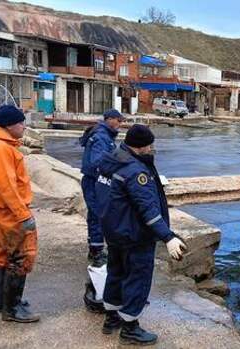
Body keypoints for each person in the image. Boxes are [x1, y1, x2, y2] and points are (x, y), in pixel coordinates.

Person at [98, 124, 187, 345]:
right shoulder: (137, 172)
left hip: (114, 230)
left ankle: (111, 318)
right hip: (134, 235)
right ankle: (130, 327)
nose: (152, 149)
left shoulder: (112, 160)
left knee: (115, 273)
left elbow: (97, 195)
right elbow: (148, 210)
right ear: (141, 147)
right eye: (150, 145)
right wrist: (168, 237)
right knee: (137, 279)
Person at [0, 105, 39, 323]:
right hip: (9, 213)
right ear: (9, 125)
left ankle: (1, 303)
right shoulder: (0, 149)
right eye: (21, 123)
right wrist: (24, 216)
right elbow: (7, 187)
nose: (24, 126)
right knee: (20, 257)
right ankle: (12, 308)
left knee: (1, 256)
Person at [79, 109, 125, 266]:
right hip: (95, 182)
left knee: (95, 215)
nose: (120, 124)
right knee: (99, 215)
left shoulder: (102, 134)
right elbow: (97, 161)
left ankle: (94, 248)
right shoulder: (101, 137)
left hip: (94, 180)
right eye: (118, 120)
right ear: (109, 119)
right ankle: (97, 253)